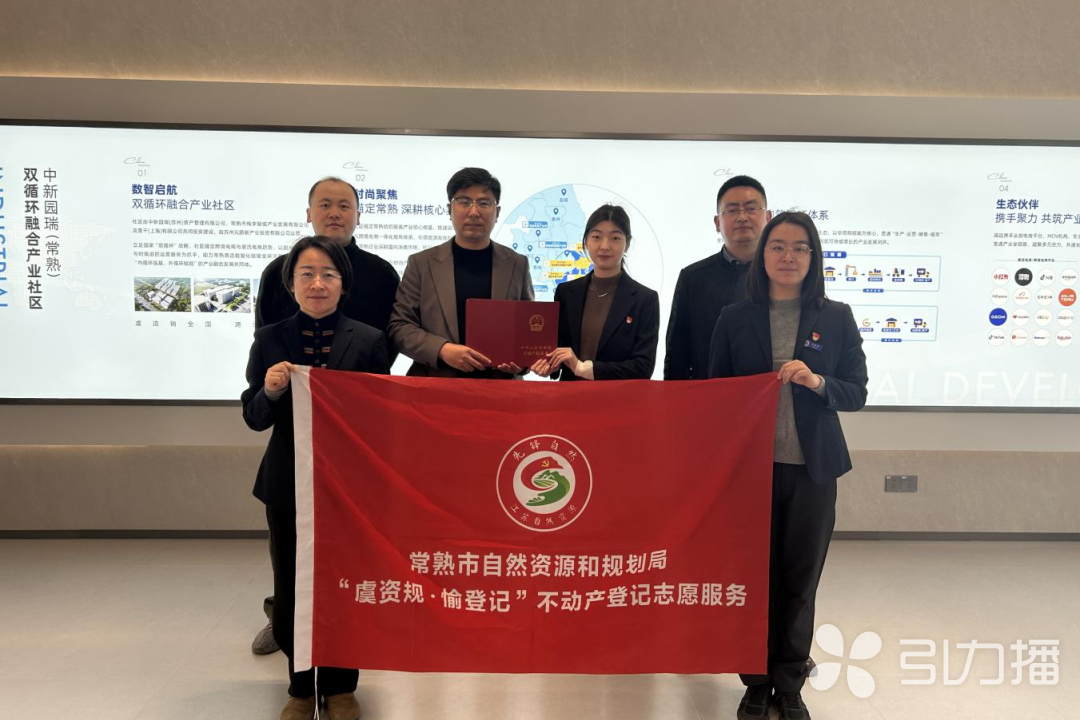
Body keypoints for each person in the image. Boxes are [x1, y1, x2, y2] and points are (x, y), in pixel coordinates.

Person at [708, 212, 867, 720]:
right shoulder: (734, 318)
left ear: (813, 258)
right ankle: (755, 683)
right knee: (754, 581)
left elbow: (856, 392)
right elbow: (716, 397)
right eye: (778, 246)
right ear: (763, 255)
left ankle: (790, 683)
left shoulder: (836, 316)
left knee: (800, 581)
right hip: (750, 474)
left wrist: (817, 382)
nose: (788, 256)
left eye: (800, 247)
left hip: (812, 471)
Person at [242, 236, 390, 720]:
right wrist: (269, 390)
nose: (318, 283)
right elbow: (253, 416)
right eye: (306, 274)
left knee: (345, 586)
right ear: (291, 284)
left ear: (343, 284)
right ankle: (300, 687)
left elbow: (381, 416)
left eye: (328, 274)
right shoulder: (270, 339)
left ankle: (342, 686)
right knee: (291, 587)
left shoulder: (368, 340)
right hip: (288, 486)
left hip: (348, 489)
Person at [251, 176, 399, 656]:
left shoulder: (381, 273)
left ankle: (343, 656)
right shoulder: (277, 277)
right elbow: (265, 358)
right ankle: (286, 629)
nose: (317, 284)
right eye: (325, 204)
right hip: (292, 445)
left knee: (347, 563)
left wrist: (350, 389)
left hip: (349, 445)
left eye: (344, 205)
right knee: (289, 558)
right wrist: (278, 384)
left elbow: (383, 356)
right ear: (309, 212)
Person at [388, 167, 534, 378]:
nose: (474, 212)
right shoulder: (421, 264)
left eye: (484, 203)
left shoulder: (517, 264)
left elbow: (527, 329)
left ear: (497, 212)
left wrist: (521, 363)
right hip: (436, 383)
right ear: (450, 209)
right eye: (464, 202)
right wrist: (442, 350)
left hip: (500, 386)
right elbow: (399, 327)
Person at [531, 204, 659, 380]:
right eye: (596, 237)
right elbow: (558, 351)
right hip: (568, 394)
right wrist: (549, 366)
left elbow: (642, 367)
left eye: (615, 238)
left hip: (616, 396)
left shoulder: (645, 299)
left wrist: (582, 368)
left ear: (627, 244)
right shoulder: (566, 292)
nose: (604, 246)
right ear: (586, 241)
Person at [664, 175, 773, 380]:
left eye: (751, 208)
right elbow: (677, 352)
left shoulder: (781, 276)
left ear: (768, 217)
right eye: (732, 210)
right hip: (708, 392)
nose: (742, 217)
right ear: (717, 222)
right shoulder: (693, 278)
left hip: (766, 393)